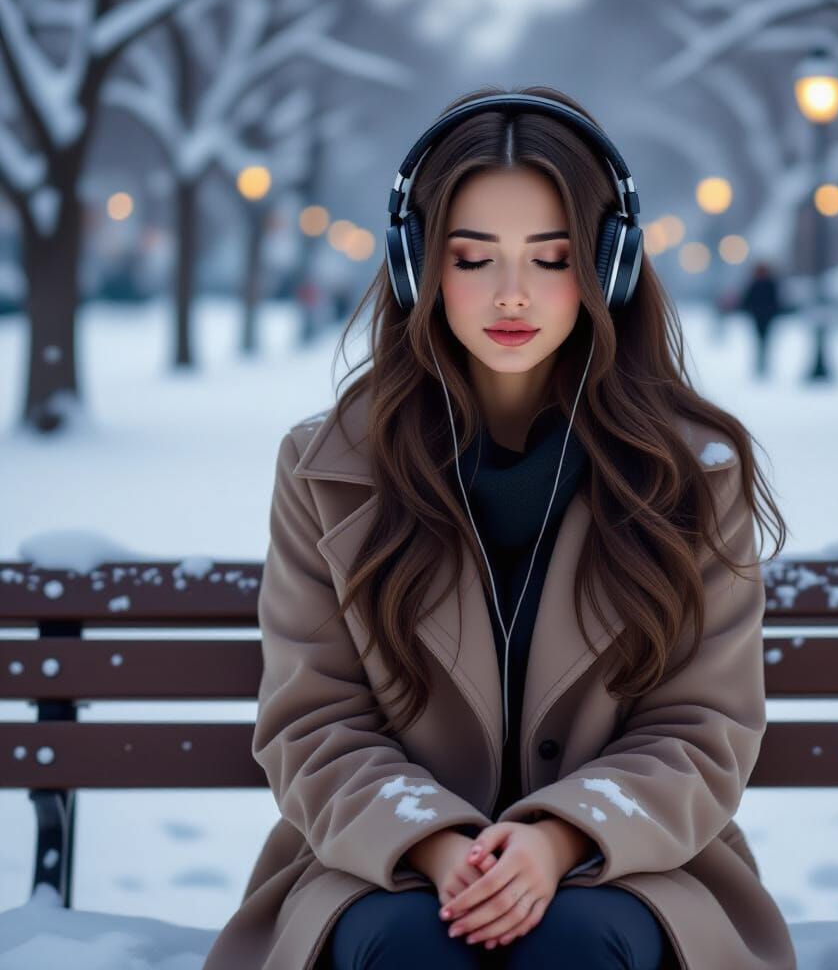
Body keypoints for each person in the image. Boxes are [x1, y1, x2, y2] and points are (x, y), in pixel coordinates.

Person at [203, 87, 797, 970]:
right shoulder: (328, 470)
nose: (511, 294)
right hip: (381, 865)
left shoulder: (690, 474)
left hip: (635, 865)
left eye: (552, 259)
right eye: (473, 258)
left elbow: (702, 728)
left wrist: (560, 838)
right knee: (414, 941)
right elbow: (315, 722)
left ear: (609, 267)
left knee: (575, 938)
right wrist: (439, 847)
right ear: (417, 267)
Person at [738, 262, 783, 378]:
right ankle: (761, 365)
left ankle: (762, 365)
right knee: (762, 342)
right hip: (761, 317)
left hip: (763, 317)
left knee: (763, 342)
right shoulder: (764, 284)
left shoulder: (764, 284)